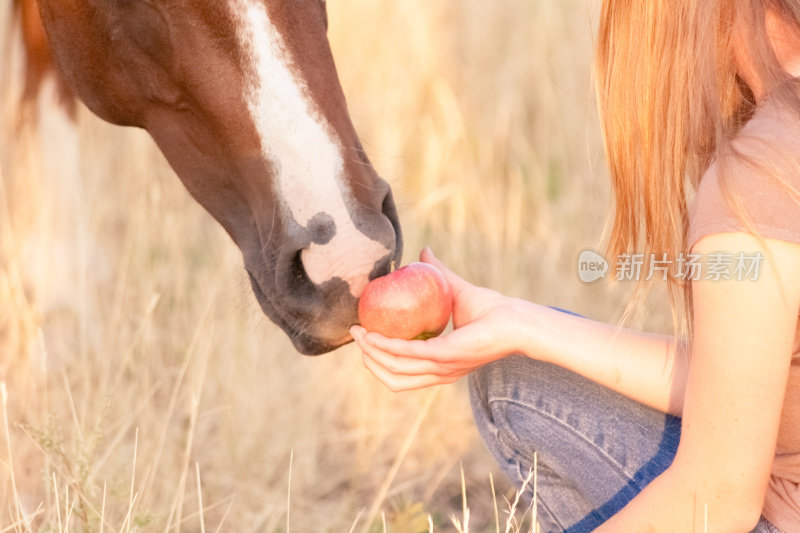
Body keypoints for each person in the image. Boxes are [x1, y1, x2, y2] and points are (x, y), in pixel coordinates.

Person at [351, 1, 800, 532]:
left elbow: (717, 500)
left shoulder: (756, 175)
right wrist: (522, 323)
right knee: (515, 370)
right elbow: (748, 382)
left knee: (517, 390)